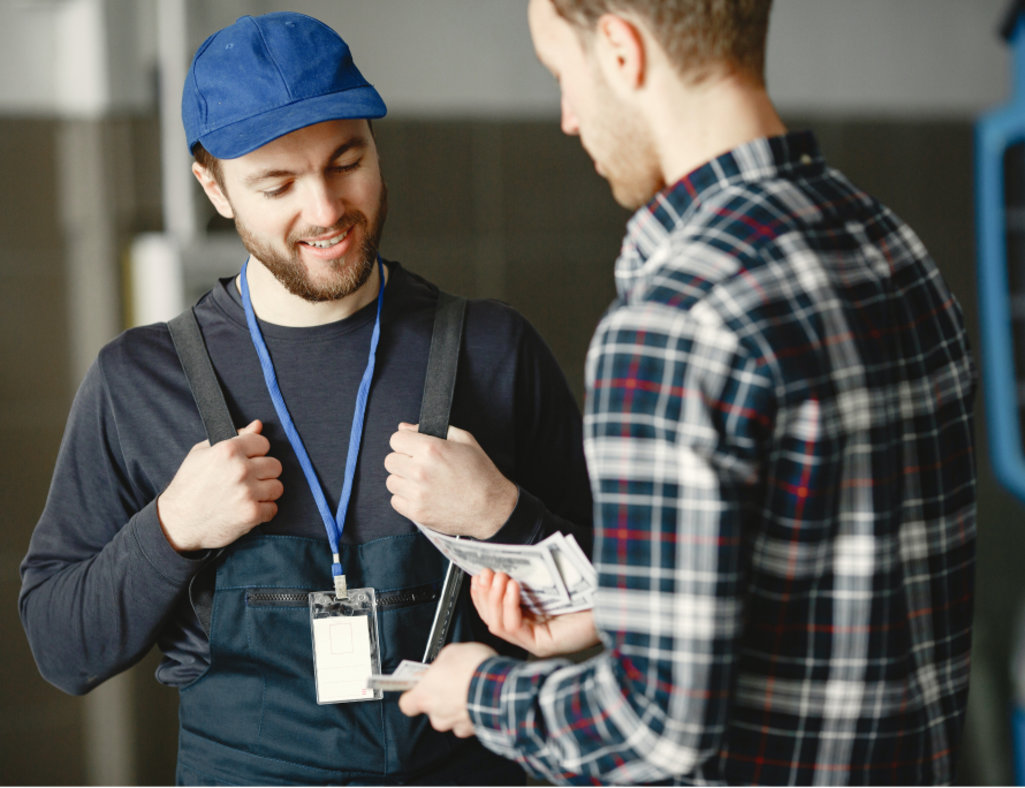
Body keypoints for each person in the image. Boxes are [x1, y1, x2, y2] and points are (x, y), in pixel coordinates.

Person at [398, 0, 979, 784]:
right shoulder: (889, 244)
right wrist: (615, 619)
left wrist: (482, 691)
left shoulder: (675, 318)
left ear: (621, 49)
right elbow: (834, 585)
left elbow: (656, 730)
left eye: (563, 75)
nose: (568, 118)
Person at [18, 11, 592, 786]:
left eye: (346, 161)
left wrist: (506, 515)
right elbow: (63, 650)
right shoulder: (138, 379)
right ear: (213, 187)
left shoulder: (494, 350)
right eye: (277, 184)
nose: (325, 211)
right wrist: (170, 530)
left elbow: (633, 608)